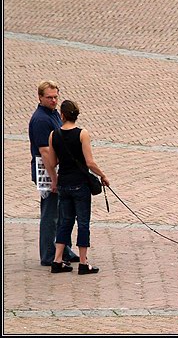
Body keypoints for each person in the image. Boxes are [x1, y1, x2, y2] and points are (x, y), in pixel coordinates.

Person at [46, 100, 109, 274]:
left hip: (64, 184)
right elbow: (90, 162)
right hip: (80, 185)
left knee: (65, 222)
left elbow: (52, 162)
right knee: (83, 223)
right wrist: (102, 176)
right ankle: (83, 262)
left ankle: (57, 260)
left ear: (62, 115)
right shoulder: (82, 134)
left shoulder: (54, 135)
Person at [28, 80, 79, 267]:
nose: (53, 100)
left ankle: (64, 249)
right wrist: (54, 179)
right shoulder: (41, 119)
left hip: (56, 168)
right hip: (46, 170)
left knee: (62, 211)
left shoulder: (53, 114)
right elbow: (45, 152)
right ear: (40, 97)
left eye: (56, 97)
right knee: (51, 214)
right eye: (49, 97)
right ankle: (49, 254)